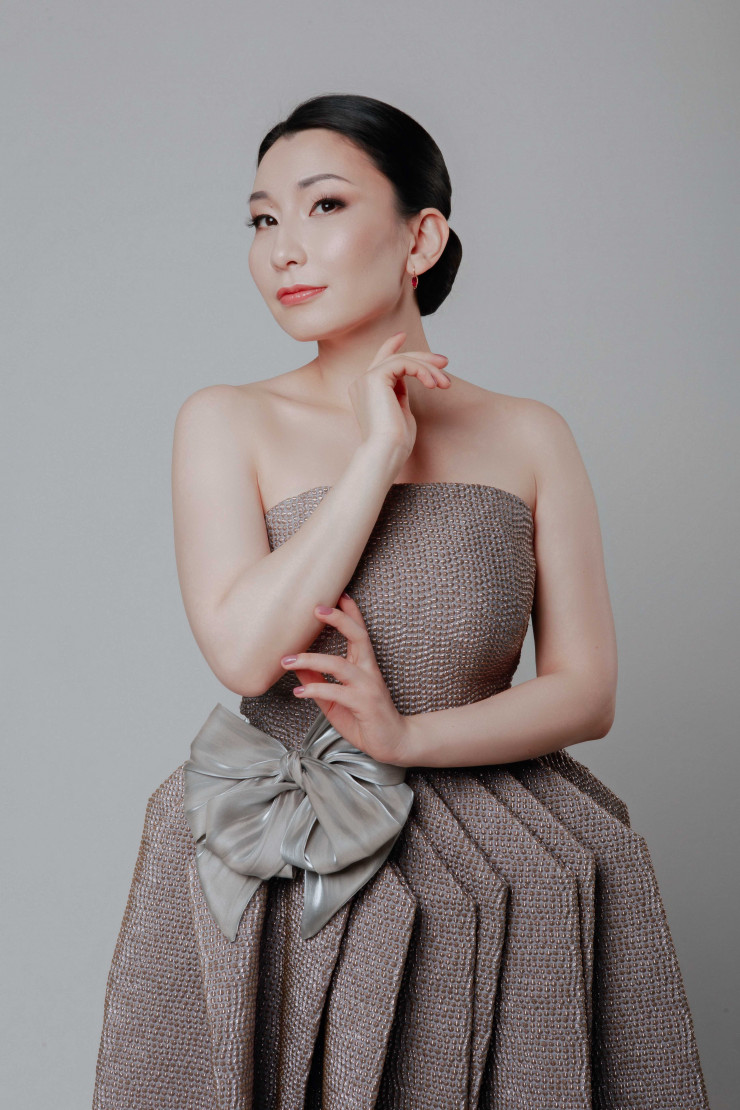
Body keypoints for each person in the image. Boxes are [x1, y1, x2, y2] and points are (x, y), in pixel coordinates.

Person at [93, 93, 709, 1109]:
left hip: (502, 847)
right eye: (261, 219)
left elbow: (587, 690)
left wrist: (407, 739)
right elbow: (245, 653)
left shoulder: (530, 435)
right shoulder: (226, 420)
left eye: (324, 206)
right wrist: (377, 453)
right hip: (279, 848)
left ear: (419, 238)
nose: (283, 248)